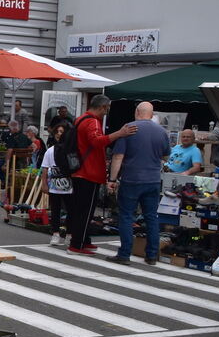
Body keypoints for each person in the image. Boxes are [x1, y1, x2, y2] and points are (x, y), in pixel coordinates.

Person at [67, 94, 137, 255]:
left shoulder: (81, 118)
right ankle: (77, 244)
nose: (107, 112)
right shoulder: (93, 122)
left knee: (82, 209)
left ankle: (84, 240)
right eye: (107, 108)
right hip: (88, 171)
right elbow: (97, 141)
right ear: (103, 107)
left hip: (80, 169)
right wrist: (119, 133)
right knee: (86, 210)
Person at [106, 102, 169, 265]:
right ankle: (151, 255)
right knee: (151, 217)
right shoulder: (162, 132)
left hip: (132, 178)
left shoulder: (129, 128)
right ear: (152, 113)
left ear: (137, 112)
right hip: (153, 179)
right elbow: (166, 157)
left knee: (126, 215)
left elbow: (118, 157)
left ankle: (125, 253)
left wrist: (112, 179)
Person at [40, 124, 74, 245]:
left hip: (69, 186)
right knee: (55, 210)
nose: (59, 134)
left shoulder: (71, 150)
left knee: (71, 210)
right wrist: (44, 184)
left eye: (62, 132)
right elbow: (44, 169)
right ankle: (55, 233)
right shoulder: (50, 151)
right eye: (58, 131)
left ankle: (69, 234)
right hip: (54, 186)